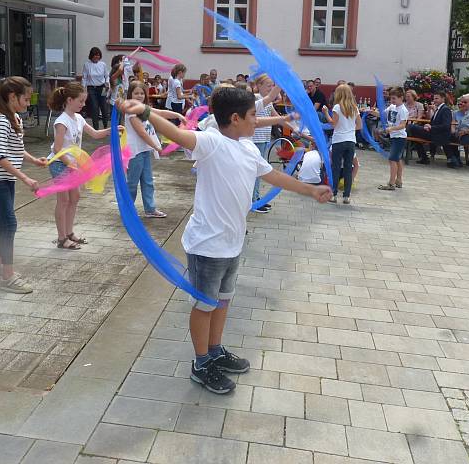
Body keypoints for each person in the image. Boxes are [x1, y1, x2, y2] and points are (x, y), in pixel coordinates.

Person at [117, 87, 331, 394]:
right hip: (207, 245)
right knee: (205, 304)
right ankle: (201, 363)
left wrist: (310, 190)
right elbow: (179, 136)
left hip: (232, 242)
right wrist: (146, 112)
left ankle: (215, 350)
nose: (257, 120)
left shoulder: (248, 149)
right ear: (235, 118)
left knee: (223, 300)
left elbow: (273, 176)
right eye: (253, 115)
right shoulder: (212, 143)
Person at [0, 77, 47, 294]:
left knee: (4, 222)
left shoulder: (14, 118)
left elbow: (16, 149)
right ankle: (7, 277)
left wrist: (33, 160)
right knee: (10, 224)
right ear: (12, 97)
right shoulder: (1, 121)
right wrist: (26, 178)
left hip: (5, 179)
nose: (28, 103)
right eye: (26, 99)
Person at [47, 82, 114, 250]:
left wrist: (111, 130)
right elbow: (57, 149)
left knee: (74, 198)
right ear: (69, 100)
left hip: (73, 165)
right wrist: (69, 163)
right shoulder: (61, 122)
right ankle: (62, 238)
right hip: (59, 164)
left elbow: (95, 134)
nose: (84, 104)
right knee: (63, 200)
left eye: (84, 101)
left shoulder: (79, 118)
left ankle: (69, 233)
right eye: (81, 101)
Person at [125, 81, 185, 218]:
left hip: (145, 150)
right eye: (136, 93)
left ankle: (150, 209)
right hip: (135, 151)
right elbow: (142, 132)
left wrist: (177, 115)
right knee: (132, 183)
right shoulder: (131, 113)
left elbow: (160, 113)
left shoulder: (144, 108)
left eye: (142, 93)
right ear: (130, 94)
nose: (139, 96)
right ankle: (127, 209)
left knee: (148, 181)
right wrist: (156, 146)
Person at [250, 75, 284, 213]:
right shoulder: (256, 99)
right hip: (255, 140)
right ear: (259, 86)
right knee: (256, 171)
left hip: (264, 139)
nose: (271, 88)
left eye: (272, 85)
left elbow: (277, 118)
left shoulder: (267, 102)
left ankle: (256, 197)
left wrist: (294, 127)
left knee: (259, 171)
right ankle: (253, 201)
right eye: (268, 85)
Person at [323, 84, 361, 205]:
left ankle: (333, 195)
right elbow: (359, 126)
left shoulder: (337, 107)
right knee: (348, 169)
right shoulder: (354, 107)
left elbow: (333, 124)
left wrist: (325, 113)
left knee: (336, 167)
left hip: (338, 140)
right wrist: (349, 129)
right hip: (351, 141)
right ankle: (346, 196)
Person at [407, 91, 454, 165]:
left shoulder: (445, 109)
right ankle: (423, 157)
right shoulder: (439, 109)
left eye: (436, 98)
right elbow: (434, 122)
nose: (434, 100)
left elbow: (446, 126)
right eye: (434, 98)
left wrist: (431, 127)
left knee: (411, 127)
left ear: (443, 99)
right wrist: (427, 125)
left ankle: (423, 157)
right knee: (413, 133)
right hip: (433, 132)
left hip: (438, 135)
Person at [378, 87, 409, 190]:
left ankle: (391, 183)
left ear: (401, 98)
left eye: (394, 98)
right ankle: (399, 180)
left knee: (392, 159)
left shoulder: (403, 110)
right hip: (394, 137)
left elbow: (402, 125)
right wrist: (369, 112)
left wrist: (391, 128)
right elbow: (381, 114)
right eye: (391, 98)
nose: (392, 101)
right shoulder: (392, 107)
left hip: (399, 137)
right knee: (397, 159)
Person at [82, 47, 110, 130]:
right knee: (94, 107)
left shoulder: (103, 64)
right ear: (91, 56)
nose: (96, 57)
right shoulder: (87, 65)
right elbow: (84, 78)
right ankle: (96, 128)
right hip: (91, 88)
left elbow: (107, 75)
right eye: (95, 56)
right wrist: (83, 89)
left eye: (98, 56)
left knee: (104, 107)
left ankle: (105, 126)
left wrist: (107, 82)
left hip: (103, 87)